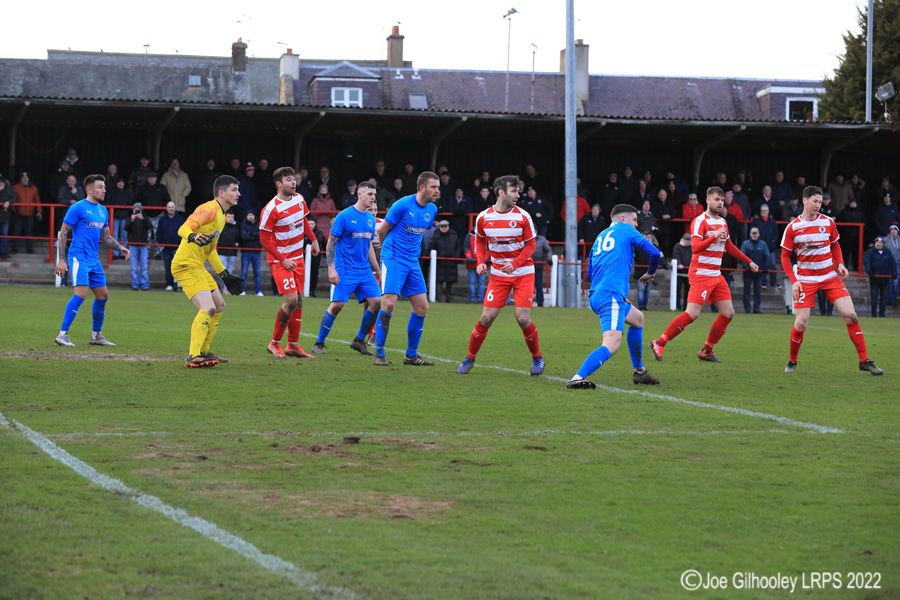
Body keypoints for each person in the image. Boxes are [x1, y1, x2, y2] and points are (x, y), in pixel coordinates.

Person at [781, 186, 882, 375]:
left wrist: (841, 264)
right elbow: (785, 257)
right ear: (804, 201)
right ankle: (792, 361)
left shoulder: (828, 222)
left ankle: (864, 361)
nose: (818, 205)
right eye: (814, 201)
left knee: (851, 315)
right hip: (806, 279)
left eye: (820, 202)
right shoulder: (793, 227)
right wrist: (794, 280)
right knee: (801, 323)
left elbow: (835, 245)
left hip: (829, 276)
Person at [650, 187, 758, 363]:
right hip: (701, 273)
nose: (720, 203)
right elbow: (696, 247)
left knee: (728, 313)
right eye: (716, 199)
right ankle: (659, 342)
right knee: (692, 314)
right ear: (707, 201)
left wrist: (748, 261)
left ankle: (706, 350)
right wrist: (714, 236)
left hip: (716, 274)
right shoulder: (700, 221)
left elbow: (729, 246)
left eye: (722, 200)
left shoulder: (723, 222)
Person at [565, 204, 661, 389]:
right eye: (634, 220)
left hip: (598, 294)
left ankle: (639, 371)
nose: (636, 225)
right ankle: (578, 377)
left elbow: (589, 274)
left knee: (637, 318)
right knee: (612, 344)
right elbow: (655, 252)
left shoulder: (600, 236)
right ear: (623, 219)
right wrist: (650, 272)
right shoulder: (626, 229)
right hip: (610, 295)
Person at [457, 175, 545, 376]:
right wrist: (480, 262)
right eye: (514, 190)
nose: (518, 194)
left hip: (523, 273)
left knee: (522, 318)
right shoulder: (484, 217)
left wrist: (514, 264)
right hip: (498, 275)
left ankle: (537, 358)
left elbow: (531, 245)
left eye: (518, 190)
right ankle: (469, 359)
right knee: (486, 317)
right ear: (501, 192)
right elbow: (479, 241)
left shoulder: (523, 216)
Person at [170, 175, 245, 368]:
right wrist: (193, 236)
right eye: (234, 190)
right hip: (185, 264)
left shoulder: (220, 216)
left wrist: (224, 275)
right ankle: (193, 355)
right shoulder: (209, 209)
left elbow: (211, 249)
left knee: (219, 305)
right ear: (222, 193)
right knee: (208, 308)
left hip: (198, 266)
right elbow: (183, 228)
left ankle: (204, 351)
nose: (239, 194)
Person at [53, 175, 129, 347]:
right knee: (80, 294)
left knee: (103, 296)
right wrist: (62, 260)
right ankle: (62, 335)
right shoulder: (77, 207)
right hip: (78, 256)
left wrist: (121, 248)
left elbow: (107, 237)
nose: (104, 190)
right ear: (89, 189)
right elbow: (64, 232)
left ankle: (96, 336)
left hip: (93, 260)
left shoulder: (103, 210)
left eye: (104, 187)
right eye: (100, 187)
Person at [374, 171, 440, 366]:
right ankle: (379, 354)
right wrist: (387, 257)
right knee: (389, 303)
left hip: (412, 262)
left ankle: (410, 356)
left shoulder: (432, 209)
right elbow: (382, 230)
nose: (437, 191)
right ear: (422, 188)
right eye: (433, 187)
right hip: (394, 258)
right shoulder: (402, 205)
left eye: (438, 187)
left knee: (422, 307)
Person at [311, 181, 382, 356]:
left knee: (377, 302)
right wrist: (331, 269)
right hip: (344, 269)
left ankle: (359, 340)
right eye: (370, 194)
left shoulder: (371, 219)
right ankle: (319, 343)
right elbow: (330, 245)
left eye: (374, 194)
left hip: (364, 271)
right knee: (337, 305)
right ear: (359, 195)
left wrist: (377, 269)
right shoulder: (344, 216)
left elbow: (368, 247)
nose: (373, 198)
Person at [258, 167, 321, 359]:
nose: (293, 182)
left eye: (294, 179)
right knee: (291, 300)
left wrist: (314, 240)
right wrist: (283, 259)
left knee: (300, 300)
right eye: (288, 179)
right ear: (278, 184)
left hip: (298, 258)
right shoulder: (271, 209)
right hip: (280, 261)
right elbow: (264, 240)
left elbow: (303, 221)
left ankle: (292, 345)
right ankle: (274, 343)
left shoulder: (299, 199)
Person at [428, 219, 461, 302]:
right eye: (442, 226)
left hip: (451, 263)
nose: (444, 228)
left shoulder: (454, 236)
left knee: (451, 283)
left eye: (445, 226)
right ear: (439, 227)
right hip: (439, 263)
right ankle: (437, 299)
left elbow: (459, 247)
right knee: (438, 283)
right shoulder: (435, 236)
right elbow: (431, 248)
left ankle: (450, 300)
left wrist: (456, 257)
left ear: (448, 227)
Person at [156, 201, 186, 291]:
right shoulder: (162, 220)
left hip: (178, 248)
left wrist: (182, 245)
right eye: (169, 207)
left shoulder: (180, 219)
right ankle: (169, 285)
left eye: (172, 207)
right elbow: (158, 233)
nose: (171, 209)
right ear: (166, 208)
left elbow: (185, 232)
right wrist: (161, 244)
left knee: (179, 267)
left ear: (175, 208)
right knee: (168, 267)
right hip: (166, 248)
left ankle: (179, 285)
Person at [749, 204, 781, 289]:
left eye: (765, 211)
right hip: (760, 247)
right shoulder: (756, 221)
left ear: (768, 211)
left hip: (771, 247)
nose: (764, 212)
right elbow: (752, 232)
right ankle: (763, 282)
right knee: (761, 265)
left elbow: (776, 233)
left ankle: (773, 282)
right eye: (762, 211)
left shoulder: (772, 221)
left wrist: (773, 241)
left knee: (772, 265)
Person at [124, 202, 153, 291]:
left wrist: (143, 219)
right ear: (132, 210)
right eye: (135, 209)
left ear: (141, 210)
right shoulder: (129, 219)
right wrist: (132, 220)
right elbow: (125, 228)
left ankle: (145, 285)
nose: (137, 211)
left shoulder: (145, 218)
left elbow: (150, 226)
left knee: (144, 267)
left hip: (143, 245)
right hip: (133, 245)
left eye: (138, 209)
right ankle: (135, 285)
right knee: (134, 267)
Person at [740, 227, 769, 313]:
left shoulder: (763, 244)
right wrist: (747, 267)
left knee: (757, 291)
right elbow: (742, 257)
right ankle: (747, 308)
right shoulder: (745, 244)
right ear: (750, 234)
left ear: (758, 234)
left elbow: (767, 257)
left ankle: (756, 308)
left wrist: (765, 267)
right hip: (748, 272)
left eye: (756, 233)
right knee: (747, 290)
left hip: (758, 272)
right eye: (753, 233)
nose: (754, 235)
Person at [11, 172, 41, 254]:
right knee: (16, 231)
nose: (25, 179)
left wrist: (39, 211)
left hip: (30, 213)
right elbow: (12, 199)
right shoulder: (15, 187)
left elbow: (37, 200)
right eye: (23, 177)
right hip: (18, 212)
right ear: (20, 179)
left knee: (29, 231)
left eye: (26, 177)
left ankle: (29, 249)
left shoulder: (34, 188)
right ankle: (15, 248)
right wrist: (13, 211)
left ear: (28, 179)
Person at [864, 237, 895, 318]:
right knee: (874, 297)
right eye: (877, 242)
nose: (879, 243)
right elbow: (867, 263)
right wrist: (869, 272)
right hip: (874, 278)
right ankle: (874, 314)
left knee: (884, 297)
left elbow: (892, 263)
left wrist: (894, 272)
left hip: (885, 278)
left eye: (880, 242)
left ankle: (882, 314)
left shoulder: (887, 252)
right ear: (875, 243)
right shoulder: (870, 252)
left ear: (883, 244)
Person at [105, 177, 133, 258]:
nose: (121, 184)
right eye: (119, 182)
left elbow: (130, 203)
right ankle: (115, 253)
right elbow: (108, 201)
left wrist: (127, 212)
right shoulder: (112, 192)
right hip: (115, 216)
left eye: (122, 182)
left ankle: (123, 253)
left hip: (124, 216)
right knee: (114, 235)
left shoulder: (127, 192)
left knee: (124, 235)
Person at [239, 212, 263, 296]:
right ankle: (242, 290)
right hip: (246, 251)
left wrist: (250, 233)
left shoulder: (259, 224)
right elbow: (244, 237)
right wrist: (254, 235)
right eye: (248, 215)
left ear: (254, 216)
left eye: (252, 215)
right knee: (244, 273)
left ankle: (258, 291)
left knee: (257, 273)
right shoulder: (243, 224)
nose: (250, 217)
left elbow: (261, 234)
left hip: (256, 252)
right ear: (246, 216)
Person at [633, 233, 659, 310]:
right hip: (640, 272)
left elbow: (659, 255)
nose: (647, 238)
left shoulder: (655, 247)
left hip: (649, 272)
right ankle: (641, 306)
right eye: (645, 237)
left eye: (648, 237)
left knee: (647, 290)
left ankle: (644, 305)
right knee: (641, 290)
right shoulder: (637, 247)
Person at [463, 226, 486, 303]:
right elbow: (466, 247)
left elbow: (489, 247)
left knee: (481, 282)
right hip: (472, 263)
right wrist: (468, 256)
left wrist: (486, 257)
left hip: (482, 263)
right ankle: (472, 299)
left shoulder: (486, 234)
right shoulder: (469, 236)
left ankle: (480, 299)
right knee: (472, 282)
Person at [217, 211, 240, 281]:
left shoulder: (236, 228)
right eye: (229, 217)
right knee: (222, 271)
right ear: (225, 217)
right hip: (222, 252)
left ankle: (226, 288)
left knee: (229, 271)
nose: (230, 219)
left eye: (232, 217)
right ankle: (222, 285)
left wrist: (237, 244)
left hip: (232, 252)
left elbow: (239, 238)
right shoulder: (221, 226)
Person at [672, 233, 692, 311]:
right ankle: (677, 306)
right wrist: (679, 264)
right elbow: (676, 256)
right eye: (686, 240)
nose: (687, 242)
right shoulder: (677, 246)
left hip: (688, 273)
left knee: (688, 291)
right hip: (679, 273)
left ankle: (686, 306)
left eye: (689, 240)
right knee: (678, 290)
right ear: (683, 240)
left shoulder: (692, 247)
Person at [532, 233, 552, 307]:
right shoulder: (526, 238)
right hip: (528, 266)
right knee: (527, 285)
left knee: (538, 284)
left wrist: (549, 258)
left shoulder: (542, 239)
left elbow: (548, 249)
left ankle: (540, 302)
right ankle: (527, 302)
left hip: (538, 265)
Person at [883, 224, 900, 305]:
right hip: (888, 265)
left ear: (897, 231)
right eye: (891, 229)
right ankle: (886, 299)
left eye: (895, 229)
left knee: (896, 284)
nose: (893, 231)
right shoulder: (885, 239)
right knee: (888, 283)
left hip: (898, 264)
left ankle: (893, 300)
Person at [0, 176, 13, 258]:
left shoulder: (9, 190)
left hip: (4, 216)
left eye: (2, 182)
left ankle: (3, 251)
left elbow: (15, 198)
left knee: (4, 234)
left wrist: (9, 202)